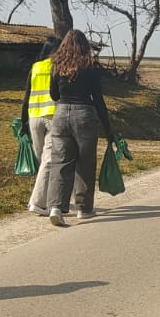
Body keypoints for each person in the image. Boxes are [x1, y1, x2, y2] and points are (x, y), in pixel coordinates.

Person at [45, 29, 115, 227]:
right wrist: (108, 129)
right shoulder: (90, 66)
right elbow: (98, 99)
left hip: (61, 114)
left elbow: (54, 95)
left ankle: (56, 207)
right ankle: (83, 208)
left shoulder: (56, 65)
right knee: (85, 163)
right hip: (84, 114)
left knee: (60, 162)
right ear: (85, 46)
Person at [21, 35, 91, 217]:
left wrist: (22, 121)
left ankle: (50, 201)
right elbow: (56, 94)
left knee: (44, 160)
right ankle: (39, 202)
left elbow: (27, 95)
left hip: (34, 116)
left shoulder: (36, 67)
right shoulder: (60, 66)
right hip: (53, 116)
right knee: (51, 161)